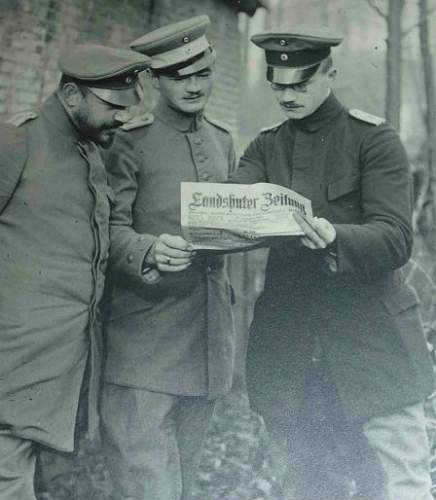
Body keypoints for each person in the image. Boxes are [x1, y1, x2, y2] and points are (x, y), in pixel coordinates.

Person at [228, 26, 435, 500]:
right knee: (306, 485)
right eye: (278, 86)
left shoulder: (374, 141)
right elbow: (233, 204)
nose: (288, 96)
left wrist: (335, 236)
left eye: (300, 84)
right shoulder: (265, 146)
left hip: (370, 352)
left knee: (398, 485)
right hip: (293, 355)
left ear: (330, 73)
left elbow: (396, 236)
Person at [0, 44, 150, 500]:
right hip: (13, 358)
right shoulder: (17, 141)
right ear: (70, 95)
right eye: (112, 106)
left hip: (62, 361)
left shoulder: (89, 149)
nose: (122, 118)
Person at [101, 15, 238, 500]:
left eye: (202, 73)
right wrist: (149, 249)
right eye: (179, 76)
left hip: (207, 342)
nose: (194, 85)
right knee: (147, 486)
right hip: (144, 341)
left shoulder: (222, 141)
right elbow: (102, 230)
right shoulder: (128, 140)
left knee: (181, 485)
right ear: (155, 80)